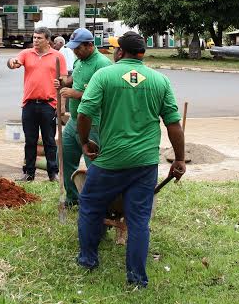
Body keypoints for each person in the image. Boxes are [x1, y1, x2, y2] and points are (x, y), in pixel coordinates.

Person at [75, 31, 186, 288]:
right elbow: (173, 124)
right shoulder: (160, 80)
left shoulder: (104, 75)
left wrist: (85, 142)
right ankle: (137, 278)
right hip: (144, 164)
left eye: (115, 49)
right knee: (138, 220)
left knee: (90, 205)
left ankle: (88, 260)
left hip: (110, 162)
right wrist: (179, 159)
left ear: (120, 52)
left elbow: (84, 114)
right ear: (142, 54)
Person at [53, 28, 111, 206]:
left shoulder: (103, 64)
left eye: (78, 48)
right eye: (73, 48)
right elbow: (75, 78)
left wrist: (75, 93)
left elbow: (105, 94)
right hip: (75, 120)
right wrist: (63, 82)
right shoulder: (80, 61)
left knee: (93, 164)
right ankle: (74, 198)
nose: (75, 51)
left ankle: (97, 203)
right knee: (63, 157)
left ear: (90, 45)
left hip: (93, 123)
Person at [7, 26, 67, 182]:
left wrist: (60, 82)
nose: (35, 40)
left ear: (48, 40)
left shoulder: (57, 56)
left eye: (39, 38)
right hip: (29, 104)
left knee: (49, 140)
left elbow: (65, 79)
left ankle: (53, 173)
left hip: (48, 104)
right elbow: (14, 62)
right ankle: (29, 173)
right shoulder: (27, 53)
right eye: (34, 37)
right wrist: (12, 62)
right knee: (30, 140)